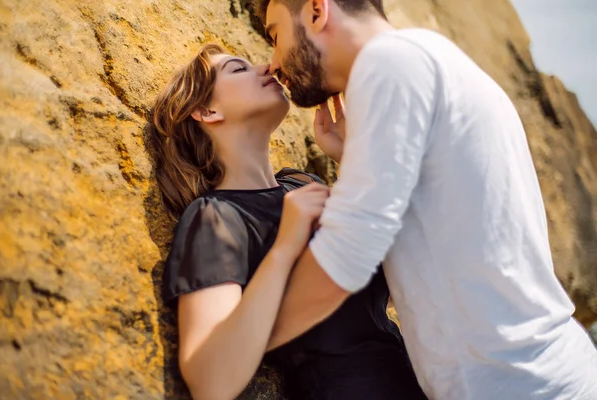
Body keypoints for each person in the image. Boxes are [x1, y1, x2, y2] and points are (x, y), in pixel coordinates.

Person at [256, 0, 597, 399]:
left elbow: (346, 253)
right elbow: (434, 232)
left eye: (276, 35)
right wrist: (351, 158)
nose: (274, 62)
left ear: (317, 10)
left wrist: (245, 344)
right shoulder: (428, 60)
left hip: (524, 385)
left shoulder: (390, 62)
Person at [147, 44, 427, 400]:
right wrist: (284, 248)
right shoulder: (216, 216)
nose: (266, 67)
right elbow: (210, 383)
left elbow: (405, 269)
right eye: (238, 69)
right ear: (207, 110)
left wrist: (354, 159)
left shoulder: (303, 185)